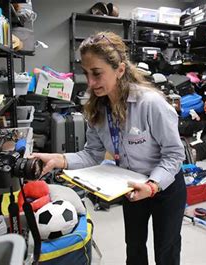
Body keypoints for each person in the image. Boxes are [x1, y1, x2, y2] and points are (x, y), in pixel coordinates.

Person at [31, 31, 186, 265]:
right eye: (86, 73)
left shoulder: (151, 104)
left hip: (165, 187)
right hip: (130, 185)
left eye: (97, 73)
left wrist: (153, 186)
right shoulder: (97, 109)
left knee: (166, 250)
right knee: (134, 247)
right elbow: (92, 154)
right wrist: (59, 159)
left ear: (120, 70)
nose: (91, 83)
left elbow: (174, 155)